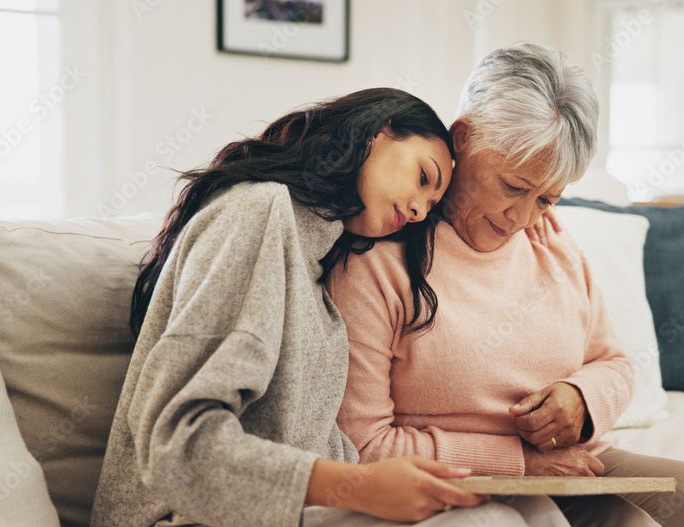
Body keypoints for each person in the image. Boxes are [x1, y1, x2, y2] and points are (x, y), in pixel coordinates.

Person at [91, 87, 567, 527]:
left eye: (431, 202)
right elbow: (174, 445)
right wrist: (357, 486)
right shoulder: (260, 212)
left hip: (295, 514)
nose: (421, 210)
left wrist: (523, 213)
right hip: (188, 516)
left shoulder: (317, 261)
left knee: (535, 511)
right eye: (424, 177)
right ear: (374, 135)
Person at [327, 43, 684, 527]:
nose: (522, 218)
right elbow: (363, 445)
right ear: (462, 138)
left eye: (547, 198)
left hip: (563, 464)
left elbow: (612, 361)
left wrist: (581, 398)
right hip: (448, 473)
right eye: (513, 187)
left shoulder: (550, 238)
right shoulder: (379, 253)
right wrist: (516, 462)